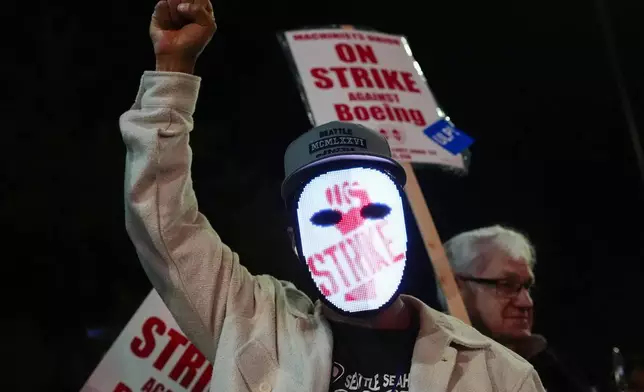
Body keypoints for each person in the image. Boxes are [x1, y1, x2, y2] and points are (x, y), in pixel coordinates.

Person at [120, 1, 545, 391]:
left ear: (402, 222)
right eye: (326, 218)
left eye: (374, 209)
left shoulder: (499, 374)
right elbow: (163, 221)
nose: (353, 231)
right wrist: (173, 71)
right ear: (296, 242)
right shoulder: (252, 323)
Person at [444, 225, 593, 392]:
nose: (526, 302)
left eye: (527, 287)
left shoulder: (554, 371)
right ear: (457, 287)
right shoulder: (424, 365)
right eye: (506, 285)